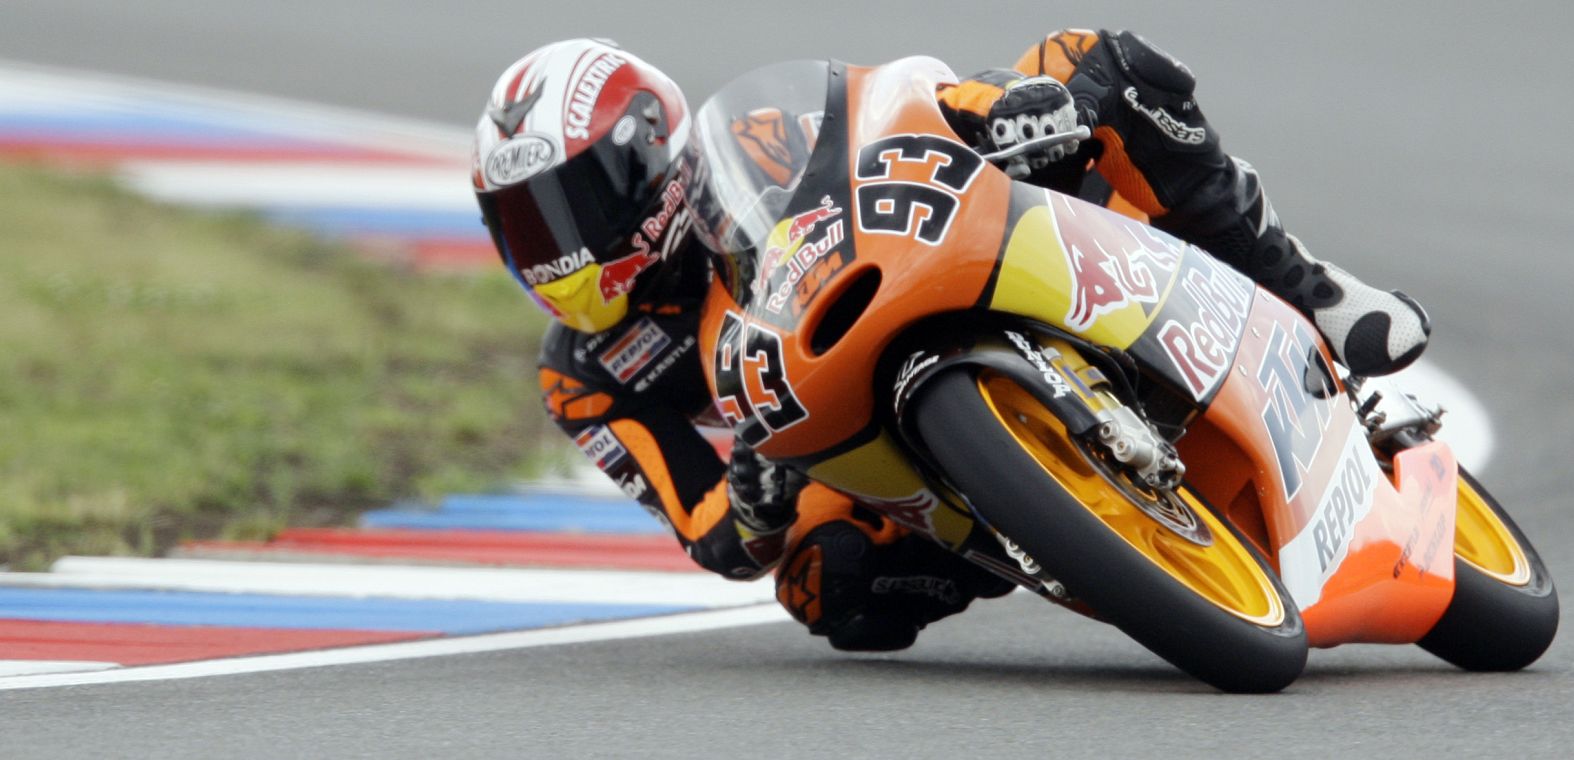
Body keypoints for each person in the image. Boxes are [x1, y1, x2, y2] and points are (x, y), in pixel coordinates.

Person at [470, 33, 1429, 652]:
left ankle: (1309, 287)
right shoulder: (582, 374)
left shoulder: (754, 137)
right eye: (520, 224)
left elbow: (894, 106)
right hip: (827, 432)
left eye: (567, 207)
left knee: (1088, 60)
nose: (552, 248)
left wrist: (990, 108)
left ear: (647, 159)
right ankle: (1027, 526)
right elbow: (715, 535)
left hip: (928, 253)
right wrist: (757, 498)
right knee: (822, 586)